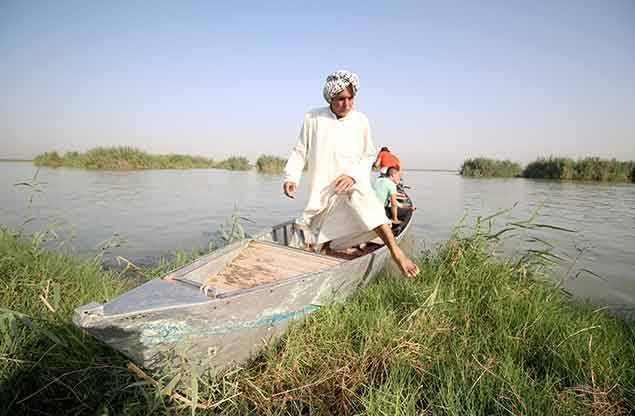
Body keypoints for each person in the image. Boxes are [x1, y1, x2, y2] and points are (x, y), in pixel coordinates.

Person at [282, 70, 419, 278]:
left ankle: (396, 252)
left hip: (353, 181)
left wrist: (353, 176)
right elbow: (300, 150)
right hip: (324, 186)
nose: (347, 104)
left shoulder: (361, 120)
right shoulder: (313, 117)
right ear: (330, 99)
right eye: (340, 99)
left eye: (350, 98)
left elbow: (368, 155)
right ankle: (326, 250)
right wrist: (291, 177)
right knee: (314, 232)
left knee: (367, 205)